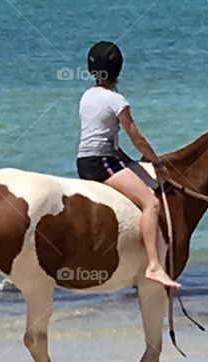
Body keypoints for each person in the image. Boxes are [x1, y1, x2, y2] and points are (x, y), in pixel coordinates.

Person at [75, 41, 180, 289]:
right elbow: (137, 138)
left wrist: (130, 163)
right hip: (101, 162)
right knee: (151, 203)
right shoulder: (117, 101)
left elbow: (105, 139)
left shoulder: (86, 96)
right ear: (117, 70)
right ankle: (154, 265)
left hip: (84, 160)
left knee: (144, 179)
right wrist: (157, 161)